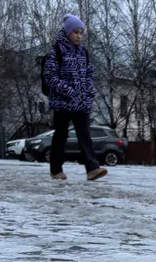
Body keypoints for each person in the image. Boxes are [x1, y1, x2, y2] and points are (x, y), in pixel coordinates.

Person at [42, 14, 107, 182]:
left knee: (84, 135)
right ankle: (56, 170)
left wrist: (89, 92)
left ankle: (92, 169)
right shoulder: (56, 51)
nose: (79, 36)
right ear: (68, 32)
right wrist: (68, 91)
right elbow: (50, 77)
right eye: (76, 32)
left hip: (81, 102)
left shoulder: (83, 53)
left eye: (81, 33)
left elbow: (89, 74)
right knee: (60, 136)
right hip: (62, 102)